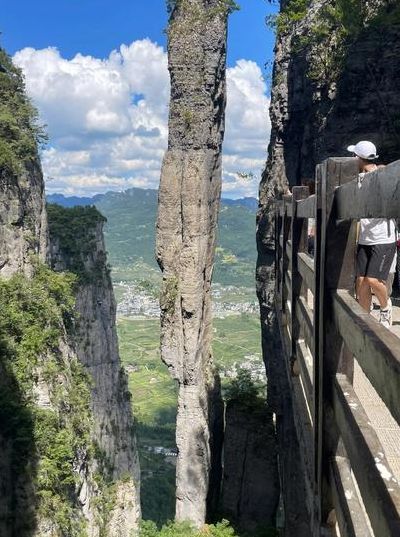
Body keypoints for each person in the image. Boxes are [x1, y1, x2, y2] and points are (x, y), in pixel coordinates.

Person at [347, 141, 396, 328]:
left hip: (383, 237)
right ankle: (364, 320)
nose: (353, 159)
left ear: (359, 158)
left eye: (355, 156)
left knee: (373, 280)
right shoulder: (359, 179)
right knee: (361, 282)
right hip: (366, 238)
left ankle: (385, 307)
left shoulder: (384, 177)